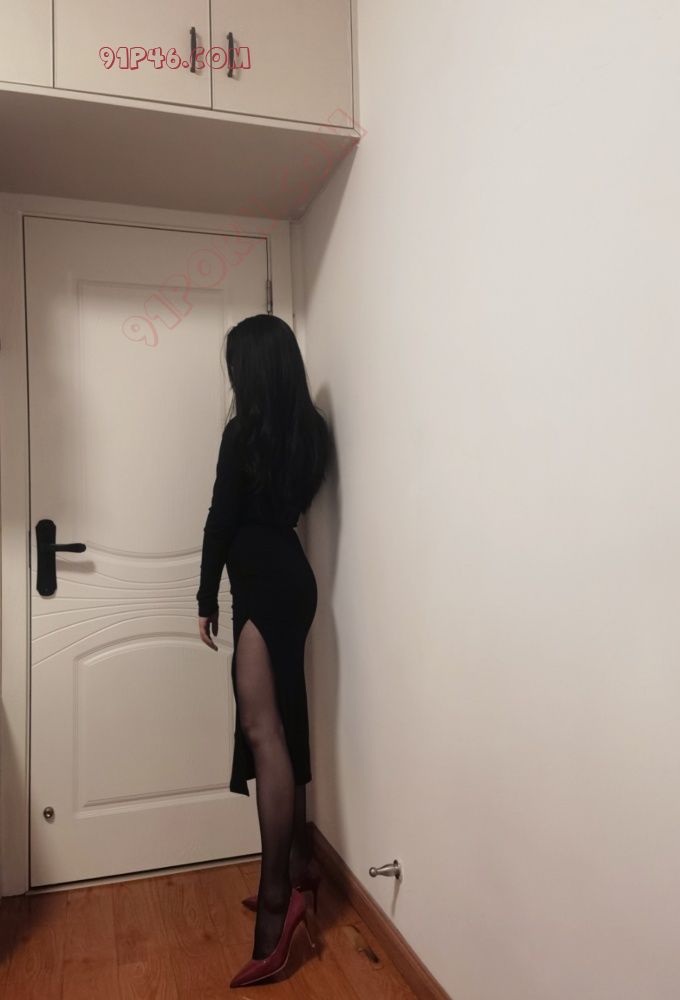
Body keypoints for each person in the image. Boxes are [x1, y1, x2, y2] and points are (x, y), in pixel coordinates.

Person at [196, 314, 330, 987]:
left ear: (251, 369)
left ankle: (278, 905)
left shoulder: (242, 434)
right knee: (283, 723)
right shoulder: (310, 432)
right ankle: (299, 868)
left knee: (263, 732)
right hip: (292, 580)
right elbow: (283, 509)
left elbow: (221, 519)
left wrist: (204, 596)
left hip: (260, 585)